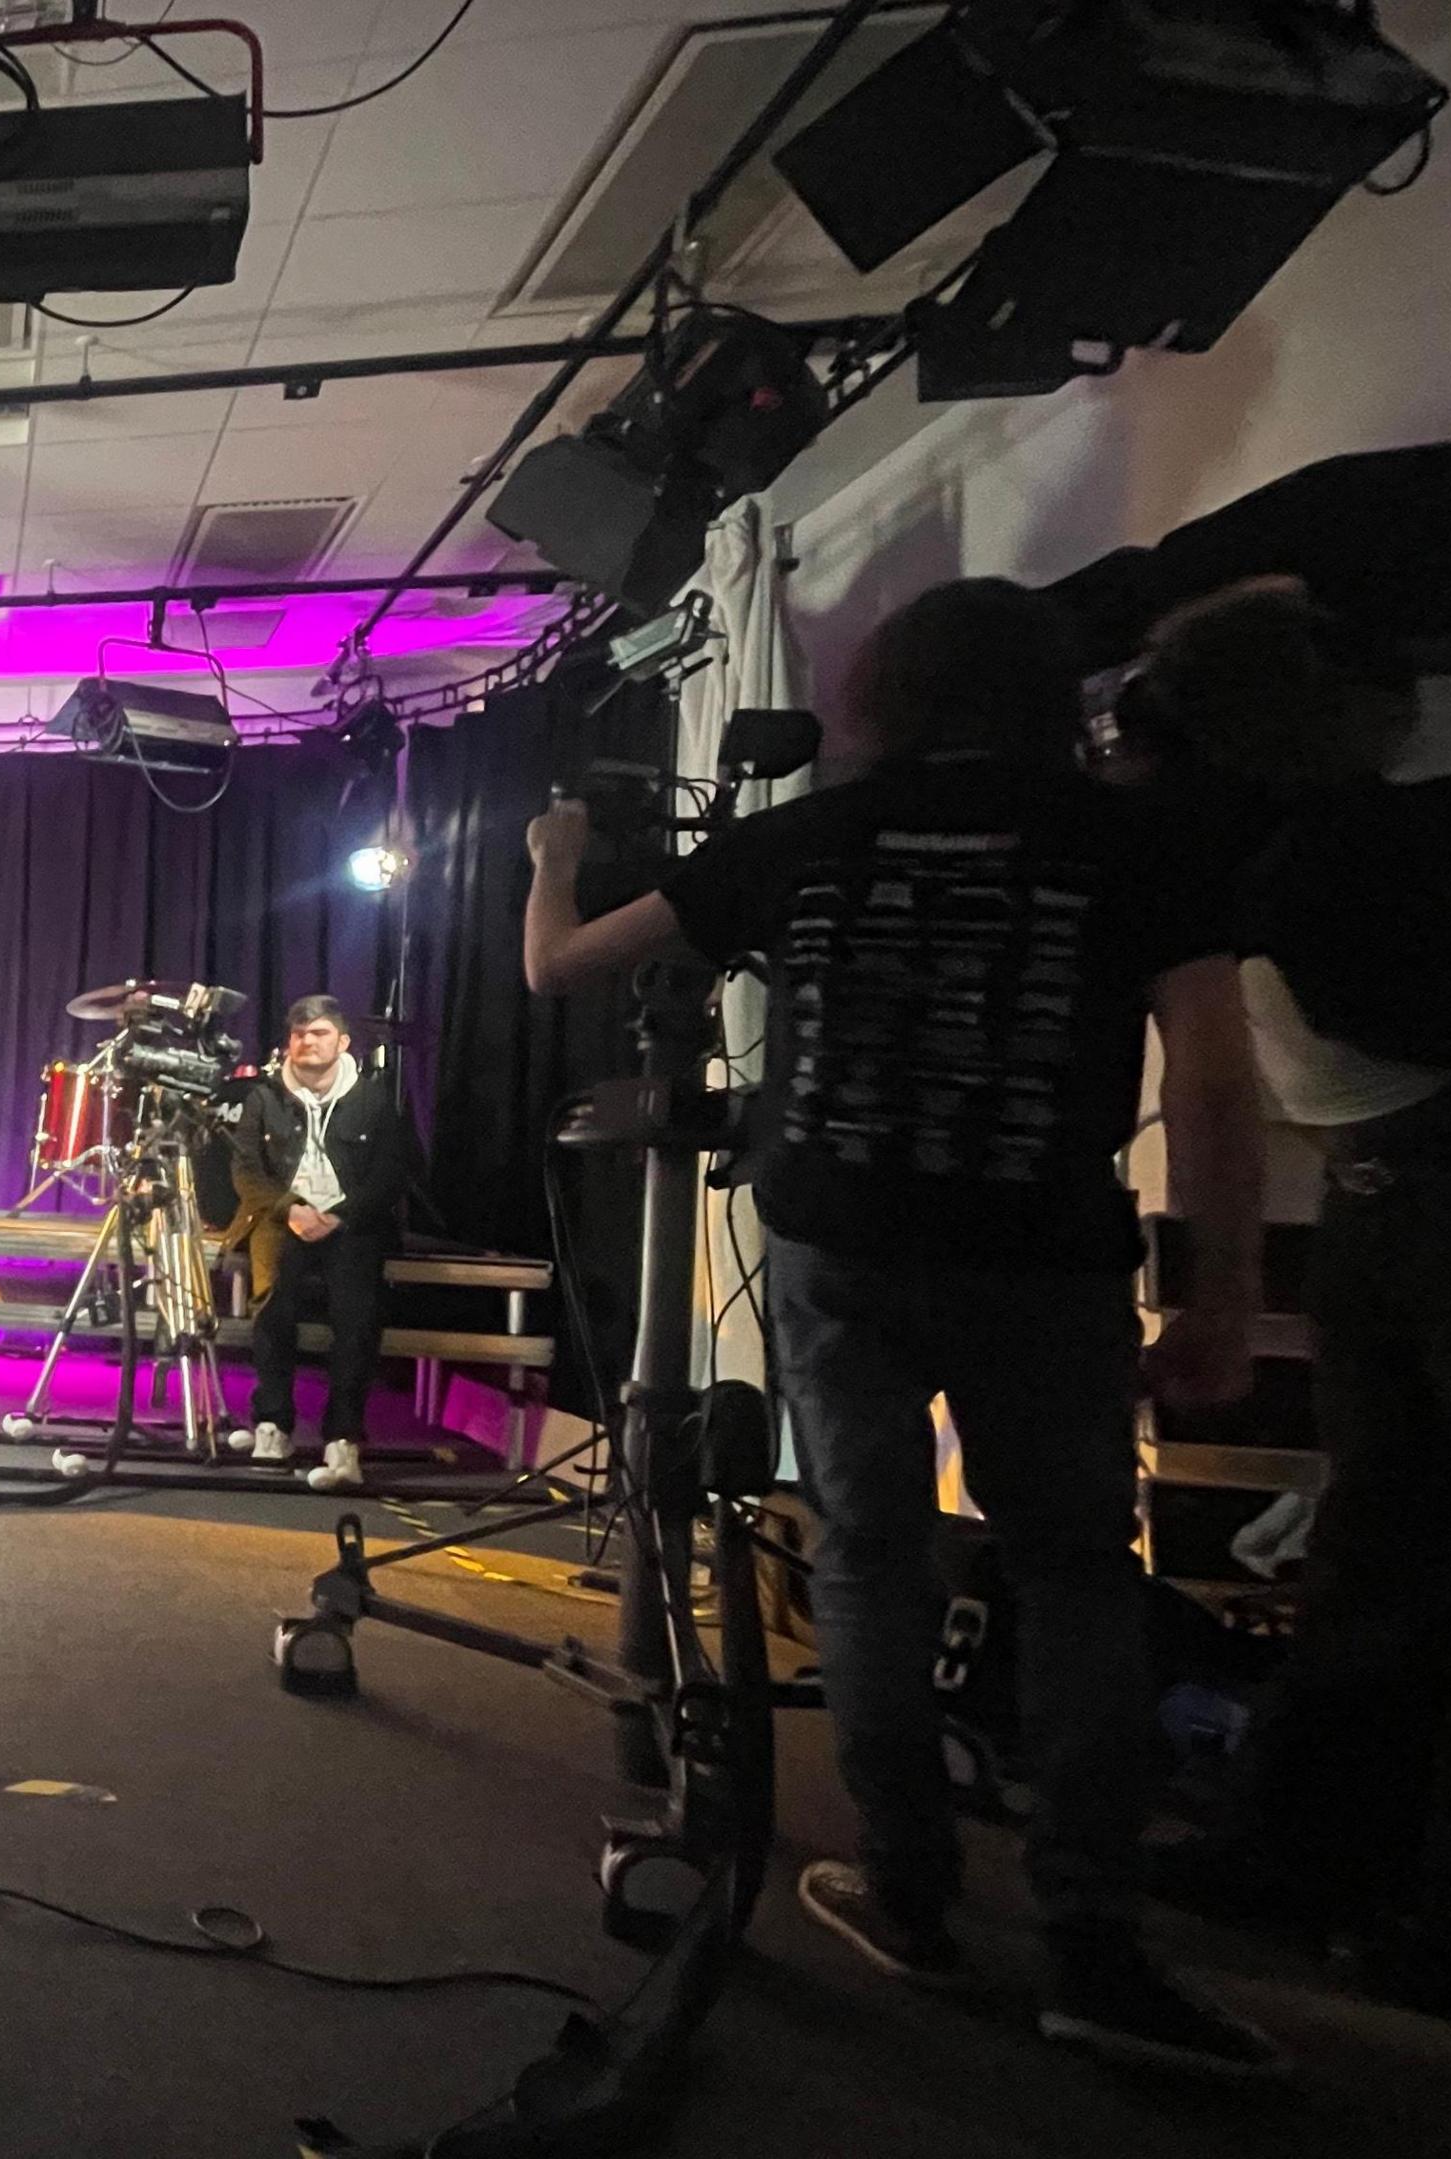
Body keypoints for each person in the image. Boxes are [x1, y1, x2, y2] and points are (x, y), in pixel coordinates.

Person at [524, 577, 1282, 2078]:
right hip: (1042, 1256)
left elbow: (558, 962)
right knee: (1078, 1574)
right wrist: (1220, 1293)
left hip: (843, 1245)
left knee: (866, 1551)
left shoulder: (806, 837)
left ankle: (911, 1894)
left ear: (882, 698)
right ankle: (1093, 1945)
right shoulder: (1136, 841)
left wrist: (550, 857)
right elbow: (1208, 1078)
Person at [1128, 576, 1451, 2014]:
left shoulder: (1276, 845)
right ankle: (1309, 1854)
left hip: (1412, 1198)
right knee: (1381, 1545)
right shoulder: (1334, 840)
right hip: (1393, 1200)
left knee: (1390, 1546)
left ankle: (1365, 1879)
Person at [230, 995, 418, 1490]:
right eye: (299, 1034)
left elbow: (391, 1172)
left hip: (350, 1221)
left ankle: (343, 1435)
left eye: (318, 1034)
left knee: (357, 1315)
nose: (307, 1042)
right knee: (270, 1304)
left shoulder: (374, 1098)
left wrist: (340, 1216)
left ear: (343, 1042)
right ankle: (272, 1423)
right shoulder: (264, 1097)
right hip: (283, 1214)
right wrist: (288, 1209)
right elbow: (246, 1170)